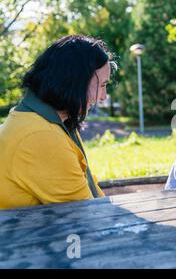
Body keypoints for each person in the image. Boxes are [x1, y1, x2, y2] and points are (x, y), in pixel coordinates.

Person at [0, 35, 115, 209]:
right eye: (102, 85)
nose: (103, 96)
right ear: (75, 82)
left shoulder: (39, 120)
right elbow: (87, 214)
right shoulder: (40, 137)